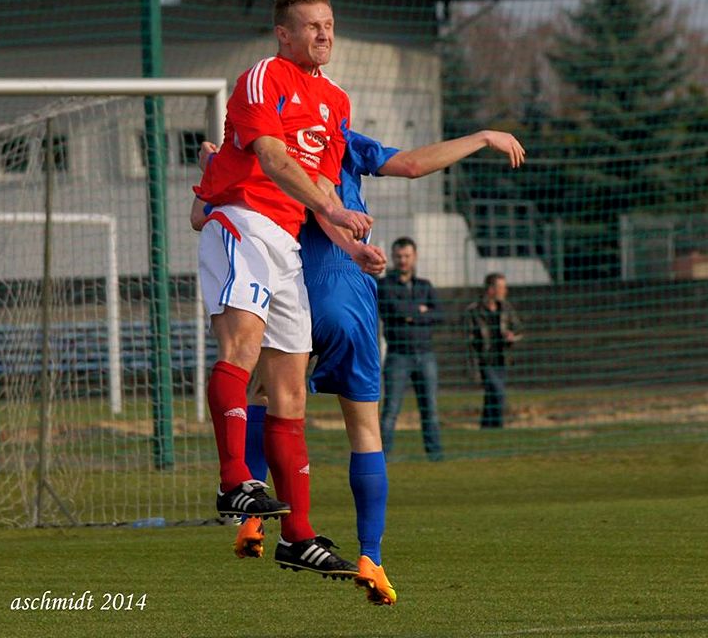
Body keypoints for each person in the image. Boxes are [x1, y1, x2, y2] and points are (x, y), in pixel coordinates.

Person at [193, 127, 525, 605]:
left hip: (291, 278)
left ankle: (253, 513)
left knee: (271, 396)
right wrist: (482, 138)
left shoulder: (259, 148)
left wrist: (212, 168)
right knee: (364, 430)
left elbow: (202, 215)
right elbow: (410, 164)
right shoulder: (334, 136)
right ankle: (371, 555)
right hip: (346, 287)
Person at [192, 0, 380, 580]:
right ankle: (233, 485)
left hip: (288, 244)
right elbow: (273, 158)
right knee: (241, 349)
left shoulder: (336, 101)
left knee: (290, 391)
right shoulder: (262, 78)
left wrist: (353, 246)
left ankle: (297, 536)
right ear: (284, 32)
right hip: (243, 221)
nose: (324, 34)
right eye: (311, 26)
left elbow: (324, 191)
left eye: (329, 24)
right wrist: (338, 212)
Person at [378, 237, 444, 460]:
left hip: (425, 354)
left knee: (430, 411)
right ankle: (382, 458)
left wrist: (409, 314)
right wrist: (421, 311)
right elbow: (393, 310)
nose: (402, 260)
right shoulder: (384, 285)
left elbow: (440, 315)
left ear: (414, 256)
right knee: (391, 410)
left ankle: (435, 457)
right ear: (393, 257)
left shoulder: (425, 285)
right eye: (398, 256)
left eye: (406, 256)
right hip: (398, 355)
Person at [465, 273, 523, 428]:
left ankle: (486, 428)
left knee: (491, 396)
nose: (505, 291)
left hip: (502, 359)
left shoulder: (506, 308)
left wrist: (512, 336)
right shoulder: (474, 311)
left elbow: (518, 328)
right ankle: (498, 427)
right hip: (485, 361)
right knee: (498, 394)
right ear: (491, 289)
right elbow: (469, 339)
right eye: (501, 287)